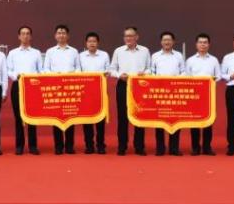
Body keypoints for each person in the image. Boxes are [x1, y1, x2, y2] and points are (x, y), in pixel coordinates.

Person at [110, 26, 151, 156]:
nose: (128, 38)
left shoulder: (145, 50)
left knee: (140, 115)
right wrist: (119, 75)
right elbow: (112, 69)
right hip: (123, 84)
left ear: (136, 37)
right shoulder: (118, 51)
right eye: (126, 36)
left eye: (131, 36)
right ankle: (122, 146)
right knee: (122, 116)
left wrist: (144, 73)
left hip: (140, 86)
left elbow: (150, 68)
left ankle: (139, 146)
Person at [42, 24, 80, 154]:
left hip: (70, 88)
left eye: (64, 33)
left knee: (70, 116)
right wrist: (55, 75)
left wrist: (71, 75)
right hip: (55, 89)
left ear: (68, 36)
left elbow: (78, 68)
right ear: (55, 35)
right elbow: (45, 69)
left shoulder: (74, 51)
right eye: (59, 33)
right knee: (56, 117)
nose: (61, 35)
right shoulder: (50, 51)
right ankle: (58, 146)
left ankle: (69, 146)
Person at [7, 25, 42, 155]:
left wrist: (33, 77)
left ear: (31, 36)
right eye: (23, 33)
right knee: (18, 117)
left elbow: (41, 70)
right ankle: (19, 146)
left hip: (33, 87)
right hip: (18, 85)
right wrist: (16, 76)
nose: (25, 36)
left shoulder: (36, 53)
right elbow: (8, 70)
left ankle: (33, 146)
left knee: (32, 116)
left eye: (27, 33)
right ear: (19, 36)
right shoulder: (13, 53)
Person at [185, 33, 221, 156]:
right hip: (194, 95)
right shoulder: (190, 60)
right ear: (196, 44)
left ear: (209, 44)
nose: (203, 45)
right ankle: (195, 147)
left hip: (209, 94)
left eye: (205, 42)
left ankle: (207, 147)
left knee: (208, 121)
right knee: (194, 121)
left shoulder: (214, 60)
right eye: (200, 42)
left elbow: (219, 76)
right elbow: (187, 77)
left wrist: (213, 79)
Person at [151, 31, 185, 156]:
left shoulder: (179, 55)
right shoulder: (155, 56)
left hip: (175, 92)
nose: (167, 42)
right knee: (159, 120)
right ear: (161, 42)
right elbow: (152, 72)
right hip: (160, 92)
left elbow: (183, 71)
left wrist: (176, 80)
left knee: (175, 119)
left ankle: (174, 148)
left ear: (173, 42)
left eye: (169, 40)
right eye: (164, 40)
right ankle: (160, 148)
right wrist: (158, 80)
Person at [78, 32, 110, 154]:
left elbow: (108, 71)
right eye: (90, 41)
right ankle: (89, 145)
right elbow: (78, 71)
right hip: (85, 92)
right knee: (87, 119)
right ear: (86, 43)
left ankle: (101, 145)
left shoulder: (104, 55)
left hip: (100, 91)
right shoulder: (81, 56)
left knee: (100, 119)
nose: (92, 43)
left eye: (94, 41)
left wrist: (105, 74)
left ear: (98, 43)